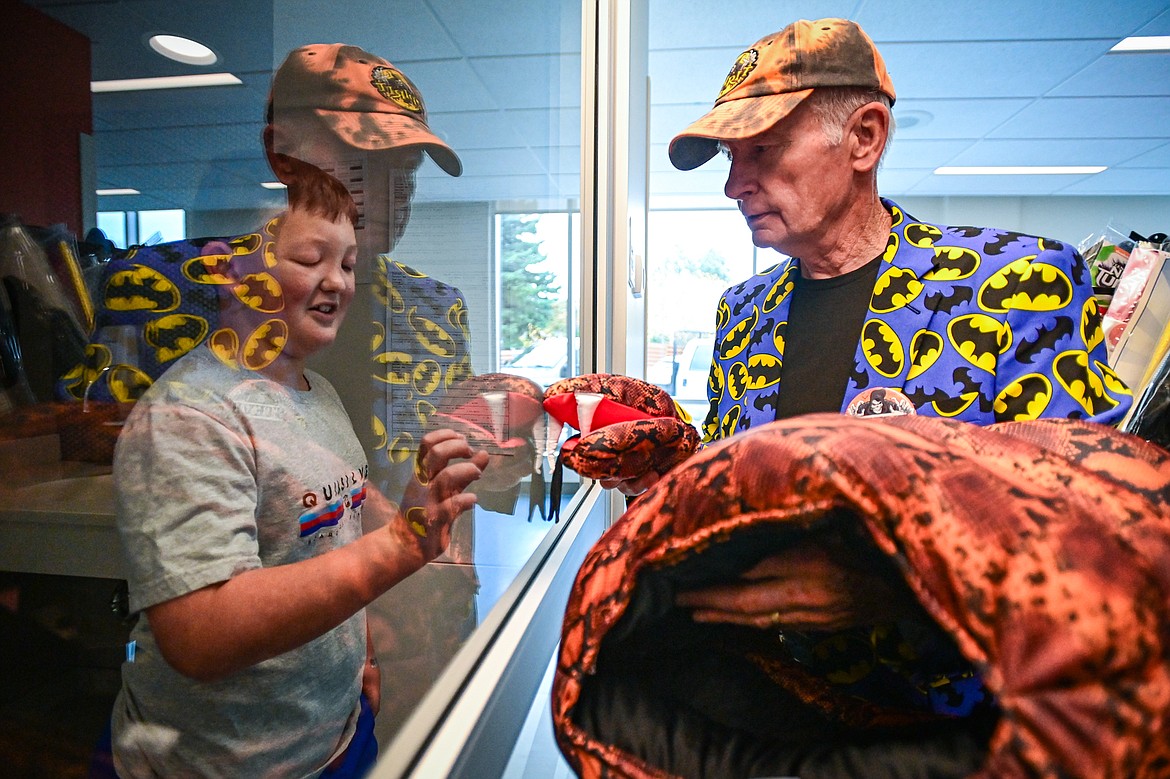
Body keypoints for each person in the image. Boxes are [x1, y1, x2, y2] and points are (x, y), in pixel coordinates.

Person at [106, 162, 489, 777]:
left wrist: (416, 508)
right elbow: (201, 632)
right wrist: (401, 544)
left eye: (348, 263)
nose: (336, 281)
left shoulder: (316, 392)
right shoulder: (190, 417)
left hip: (330, 737)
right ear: (230, 269)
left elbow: (335, 509)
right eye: (311, 258)